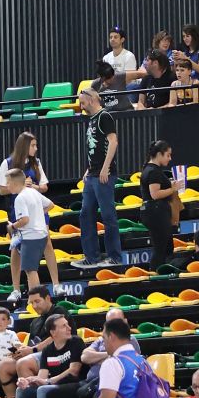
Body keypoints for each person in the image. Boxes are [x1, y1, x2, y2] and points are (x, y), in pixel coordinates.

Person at [78, 85, 124, 266]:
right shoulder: (91, 119)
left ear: (91, 100)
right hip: (92, 174)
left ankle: (114, 257)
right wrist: (88, 169)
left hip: (103, 174)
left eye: (82, 103)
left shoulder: (104, 116)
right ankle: (91, 257)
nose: (81, 107)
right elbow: (94, 147)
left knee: (108, 216)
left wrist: (105, 168)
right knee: (85, 214)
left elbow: (113, 142)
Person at [3, 167, 57, 303]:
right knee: (31, 269)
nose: (6, 186)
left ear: (14, 183)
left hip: (30, 237)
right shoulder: (33, 191)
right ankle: (33, 301)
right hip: (42, 236)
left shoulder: (20, 198)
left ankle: (35, 301)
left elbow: (24, 220)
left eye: (8, 183)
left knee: (30, 270)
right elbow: (51, 205)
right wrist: (37, 214)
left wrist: (12, 226)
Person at [140, 137, 180, 270]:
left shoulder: (149, 169)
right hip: (156, 212)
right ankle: (156, 274)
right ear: (159, 154)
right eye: (168, 155)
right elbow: (155, 194)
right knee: (161, 248)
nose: (170, 158)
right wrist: (173, 189)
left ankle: (163, 271)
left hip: (153, 212)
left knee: (166, 246)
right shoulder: (153, 171)